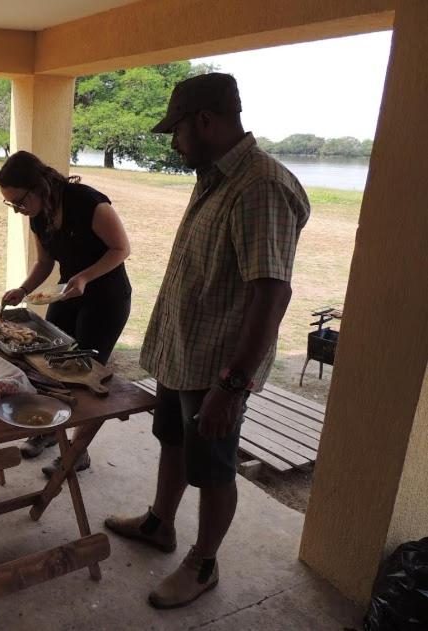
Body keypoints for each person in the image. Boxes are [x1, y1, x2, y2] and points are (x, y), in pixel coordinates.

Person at [105, 73, 310, 609]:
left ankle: (203, 564)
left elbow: (271, 294)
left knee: (214, 469)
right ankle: (159, 524)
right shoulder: (217, 177)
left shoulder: (259, 186)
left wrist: (233, 385)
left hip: (217, 368)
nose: (174, 143)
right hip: (183, 353)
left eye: (176, 131)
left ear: (205, 121)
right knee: (172, 441)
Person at [0, 151, 131, 476]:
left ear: (39, 185)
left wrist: (84, 276)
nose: (17, 210)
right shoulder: (37, 215)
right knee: (49, 365)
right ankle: (48, 432)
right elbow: (45, 263)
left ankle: (77, 453)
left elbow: (121, 249)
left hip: (106, 298)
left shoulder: (88, 202)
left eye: (18, 202)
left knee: (85, 376)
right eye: (10, 205)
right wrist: (23, 290)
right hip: (68, 291)